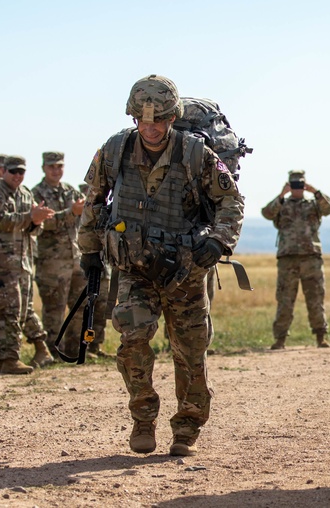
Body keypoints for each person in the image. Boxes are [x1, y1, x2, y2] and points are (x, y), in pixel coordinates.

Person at [78, 74, 245, 457]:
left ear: (173, 118)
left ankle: (187, 426)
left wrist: (218, 240)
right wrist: (89, 249)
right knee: (132, 338)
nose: (150, 128)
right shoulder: (115, 149)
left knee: (190, 350)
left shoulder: (195, 153)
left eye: (159, 120)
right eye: (143, 120)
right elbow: (93, 201)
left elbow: (231, 201)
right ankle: (143, 417)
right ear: (133, 117)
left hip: (185, 271)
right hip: (134, 267)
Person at [0, 155, 55, 375]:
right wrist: (30, 217)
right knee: (7, 310)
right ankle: (9, 357)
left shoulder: (25, 194)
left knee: (22, 310)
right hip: (1, 263)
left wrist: (36, 221)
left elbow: (34, 229)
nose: (17, 176)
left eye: (21, 172)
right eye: (13, 171)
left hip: (23, 262)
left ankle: (7, 357)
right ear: (3, 171)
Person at [32, 151, 107, 359]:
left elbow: (83, 217)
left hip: (75, 260)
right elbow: (41, 223)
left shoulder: (71, 192)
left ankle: (75, 348)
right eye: (51, 167)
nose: (56, 170)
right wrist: (69, 213)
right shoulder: (37, 193)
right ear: (43, 168)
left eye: (59, 166)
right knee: (54, 309)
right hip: (52, 263)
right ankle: (54, 351)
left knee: (79, 306)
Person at [261, 169, 330, 349]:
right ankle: (280, 339)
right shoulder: (281, 204)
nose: (297, 188)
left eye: (300, 184)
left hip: (311, 258)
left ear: (304, 184)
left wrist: (315, 191)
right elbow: (267, 213)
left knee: (316, 298)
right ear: (288, 184)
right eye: (294, 184)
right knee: (285, 300)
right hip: (288, 259)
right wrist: (282, 195)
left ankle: (321, 337)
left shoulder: (313, 204)